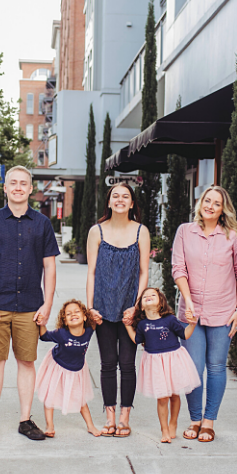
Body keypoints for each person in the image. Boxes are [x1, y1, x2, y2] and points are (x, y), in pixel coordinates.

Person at [0, 165, 60, 443]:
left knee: (26, 362)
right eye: (14, 183)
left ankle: (25, 419)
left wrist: (47, 304)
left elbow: (50, 267)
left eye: (24, 183)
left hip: (30, 306)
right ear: (6, 188)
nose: (19, 187)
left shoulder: (43, 223)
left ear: (31, 188)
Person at [171, 184, 237, 443]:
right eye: (207, 200)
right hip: (190, 313)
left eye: (216, 203)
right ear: (200, 203)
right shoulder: (184, 231)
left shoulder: (233, 236)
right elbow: (178, 268)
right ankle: (194, 418)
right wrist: (188, 301)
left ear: (222, 209)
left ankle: (209, 421)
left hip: (222, 312)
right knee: (193, 368)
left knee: (215, 367)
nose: (210, 206)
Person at [86, 183, 150, 438]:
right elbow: (90, 272)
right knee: (107, 363)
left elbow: (144, 271)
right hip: (102, 306)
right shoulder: (96, 231)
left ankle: (125, 416)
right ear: (109, 202)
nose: (121, 200)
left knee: (127, 363)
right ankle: (110, 415)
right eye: (116, 196)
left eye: (126, 196)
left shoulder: (140, 231)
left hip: (129, 308)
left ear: (132, 203)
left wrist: (136, 307)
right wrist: (90, 306)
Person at [125, 287, 200, 444]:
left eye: (153, 295)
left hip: (173, 360)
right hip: (156, 364)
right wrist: (127, 325)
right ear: (141, 306)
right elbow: (136, 340)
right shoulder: (142, 324)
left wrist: (192, 324)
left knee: (174, 395)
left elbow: (184, 334)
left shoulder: (170, 320)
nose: (149, 296)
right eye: (145, 296)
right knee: (162, 398)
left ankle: (173, 422)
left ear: (161, 303)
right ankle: (164, 429)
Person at [35, 299, 101, 438]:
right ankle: (50, 425)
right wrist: (42, 323)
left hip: (77, 369)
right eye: (68, 314)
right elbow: (44, 336)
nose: (73, 314)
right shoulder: (61, 333)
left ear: (84, 317)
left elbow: (96, 321)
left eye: (77, 312)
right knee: (50, 395)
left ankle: (90, 425)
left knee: (81, 399)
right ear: (65, 321)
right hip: (58, 365)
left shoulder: (88, 330)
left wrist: (96, 316)